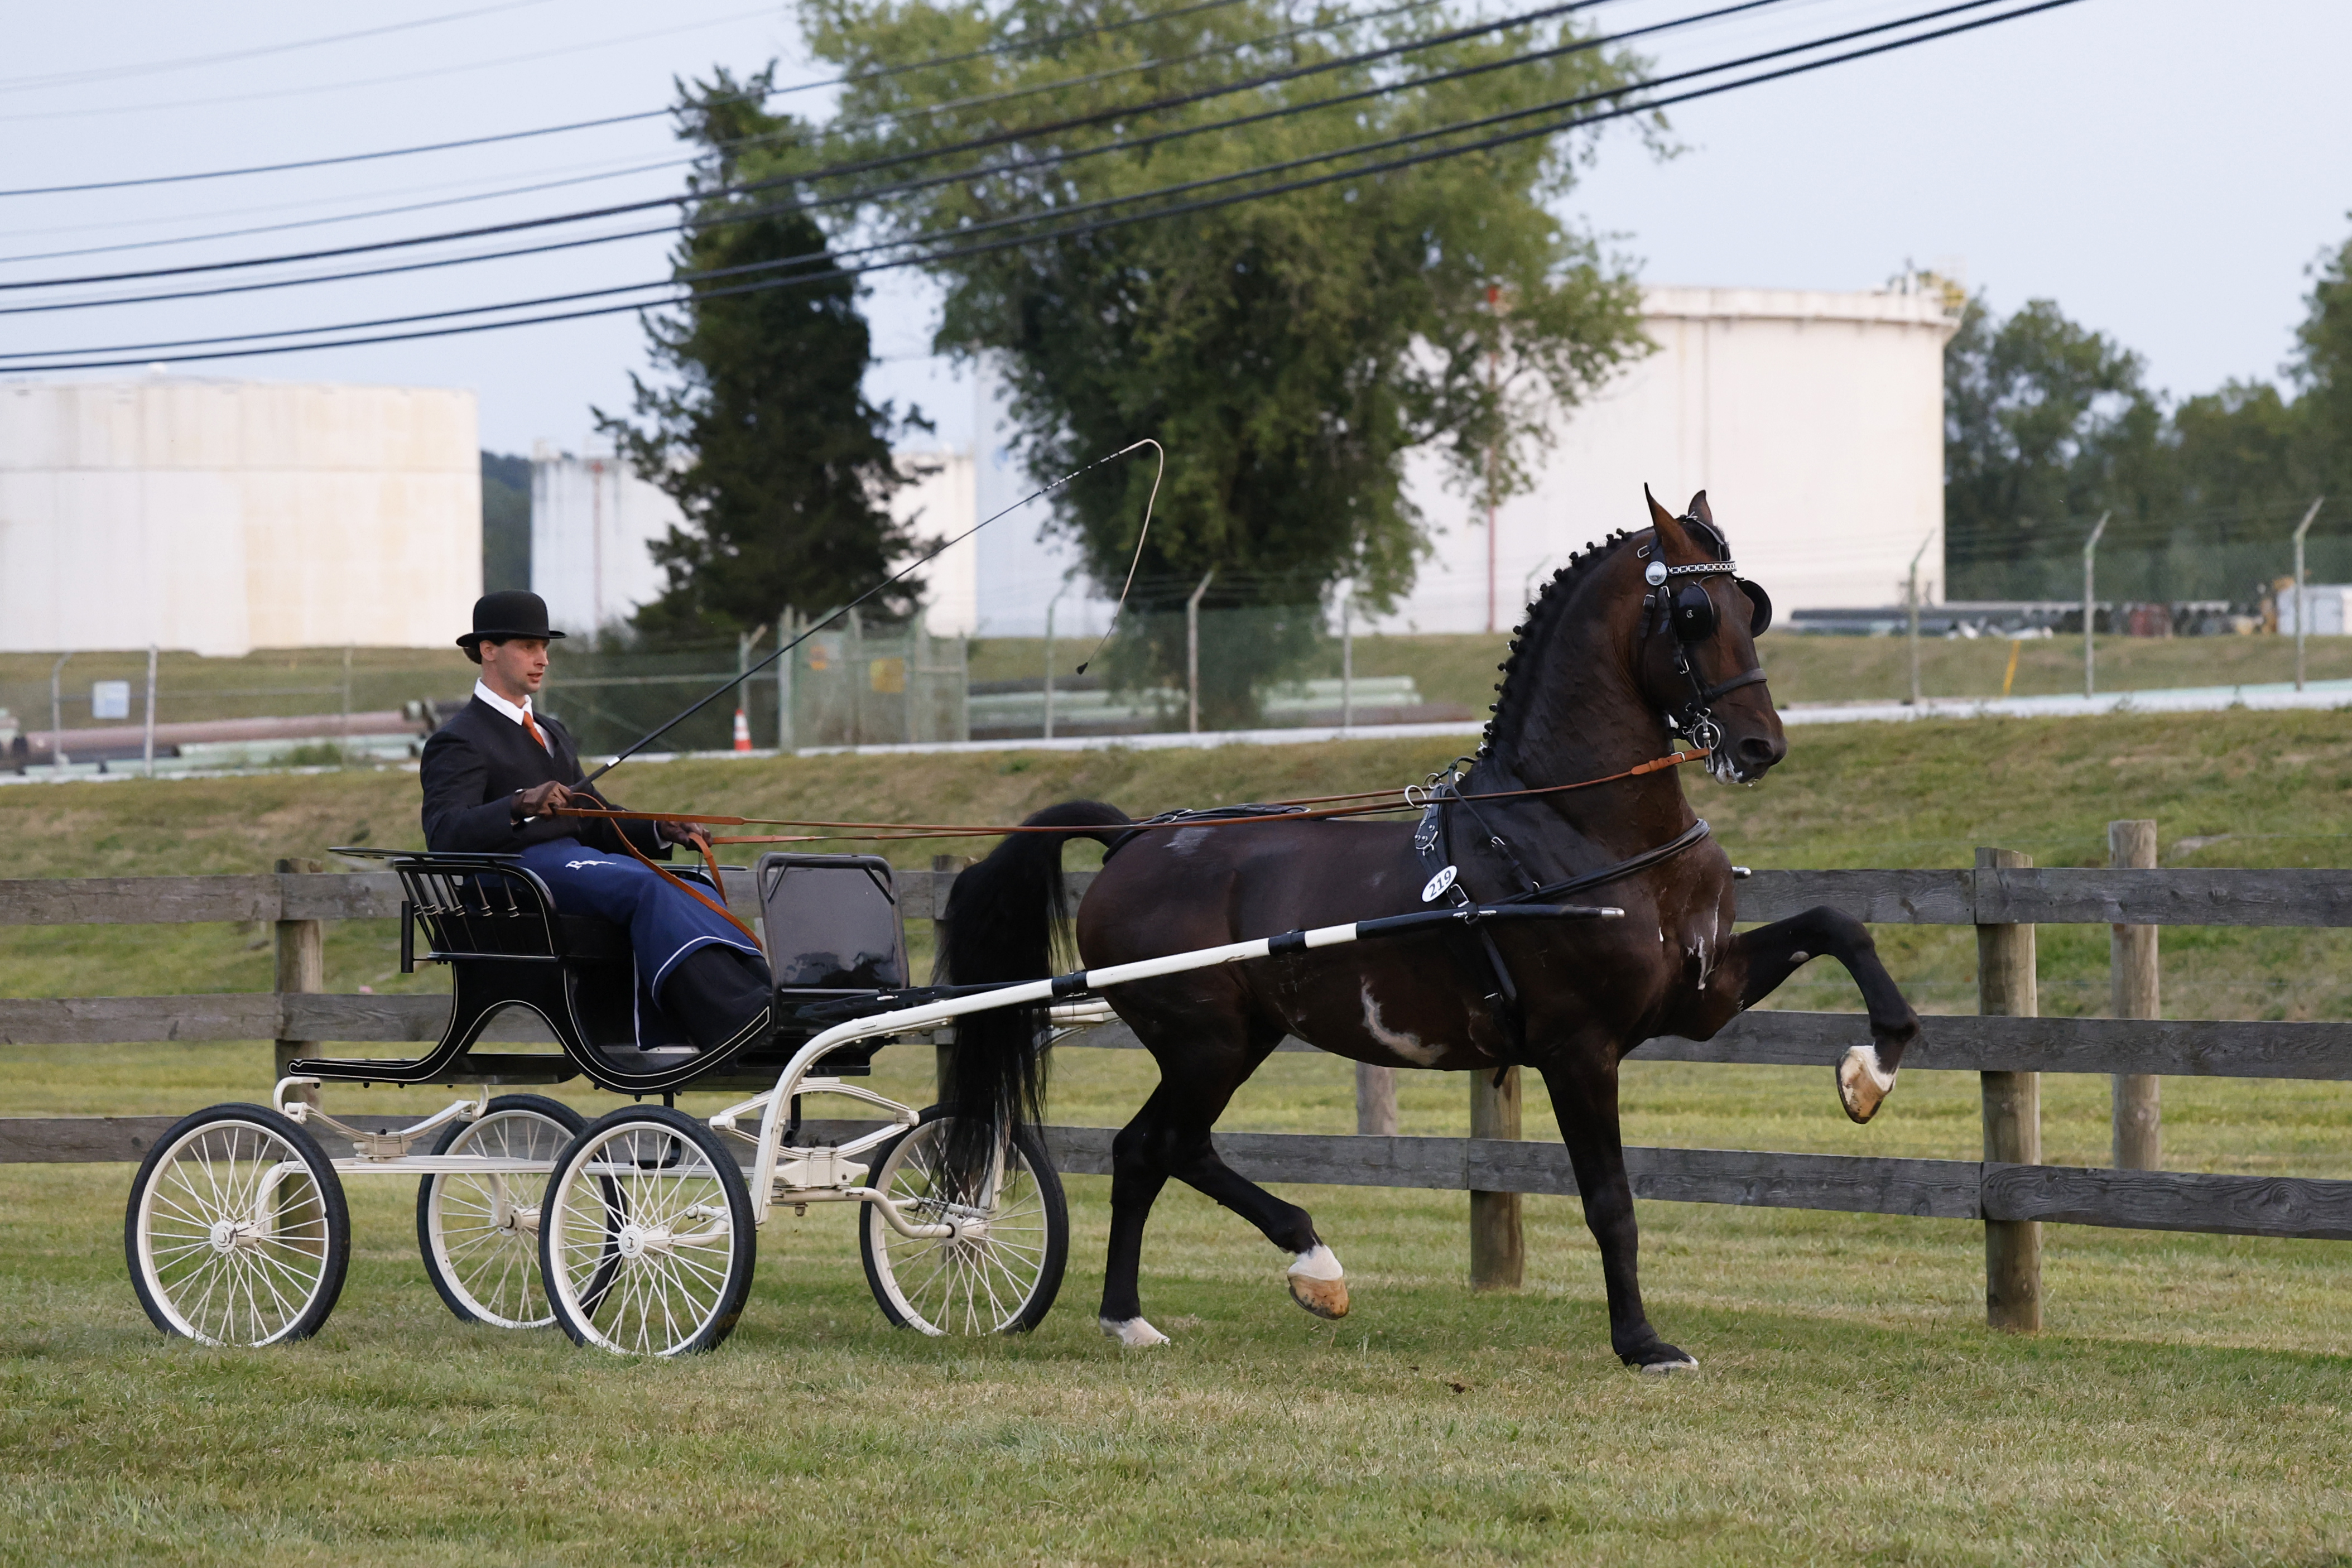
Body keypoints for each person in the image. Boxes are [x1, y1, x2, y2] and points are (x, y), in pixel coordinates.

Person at [419, 590, 772, 1055]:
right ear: (488, 650)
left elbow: (594, 817)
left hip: (572, 861)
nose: (543, 659)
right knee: (646, 887)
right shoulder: (459, 739)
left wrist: (659, 829)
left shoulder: (552, 731)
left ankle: (766, 1001)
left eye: (545, 647)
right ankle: (732, 1021)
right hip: (514, 875)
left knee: (691, 884)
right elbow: (444, 832)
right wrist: (518, 804)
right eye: (528, 646)